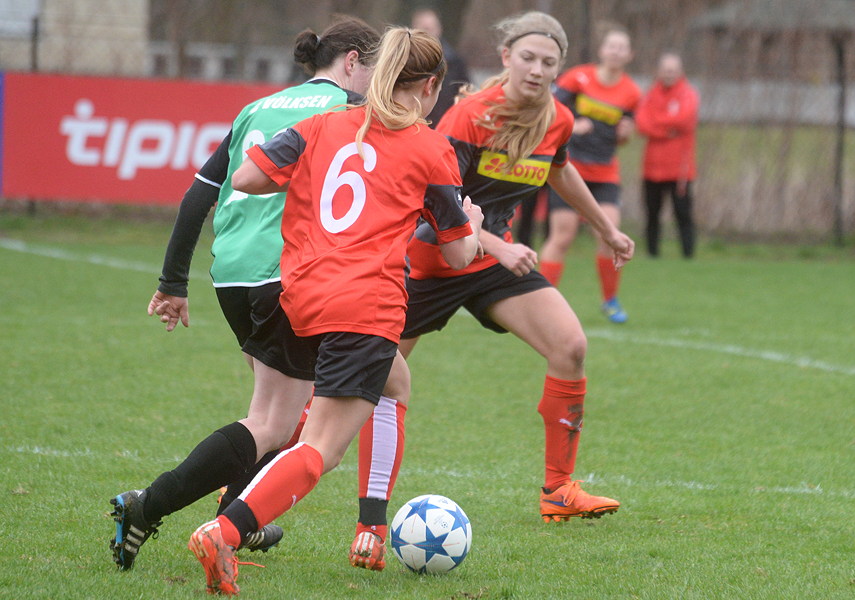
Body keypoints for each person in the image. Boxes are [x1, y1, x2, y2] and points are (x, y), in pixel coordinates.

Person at [187, 27, 483, 595]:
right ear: (429, 87)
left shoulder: (322, 125)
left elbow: (245, 177)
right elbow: (456, 253)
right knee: (320, 449)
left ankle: (369, 524)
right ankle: (225, 531)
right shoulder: (429, 148)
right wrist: (472, 223)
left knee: (393, 382)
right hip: (365, 302)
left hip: (304, 294)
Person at [350, 12, 634, 554]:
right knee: (362, 379)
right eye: (528, 57)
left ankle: (558, 490)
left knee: (571, 346)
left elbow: (559, 168)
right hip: (433, 261)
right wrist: (499, 246)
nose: (537, 69)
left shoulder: (557, 119)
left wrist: (606, 228)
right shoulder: (469, 116)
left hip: (491, 264)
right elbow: (435, 202)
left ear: (559, 68)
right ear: (506, 57)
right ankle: (270, 464)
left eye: (548, 61)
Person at [109, 17, 382, 571]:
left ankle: (237, 517)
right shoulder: (347, 113)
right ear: (353, 61)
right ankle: (150, 507)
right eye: (376, 71)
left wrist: (173, 282)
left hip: (232, 274)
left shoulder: (257, 108)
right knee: (275, 423)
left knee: (274, 414)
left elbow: (197, 196)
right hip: (288, 273)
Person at [537, 24, 641, 324]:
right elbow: (549, 110)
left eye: (622, 48)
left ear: (630, 55)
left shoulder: (632, 92)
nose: (616, 52)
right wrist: (573, 124)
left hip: (605, 173)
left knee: (610, 236)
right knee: (563, 236)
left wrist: (625, 135)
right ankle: (542, 301)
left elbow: (623, 135)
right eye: (612, 46)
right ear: (602, 50)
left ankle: (610, 301)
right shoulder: (578, 78)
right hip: (569, 171)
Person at [635, 52, 700, 258]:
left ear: (680, 71)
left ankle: (688, 256)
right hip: (652, 167)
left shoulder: (688, 94)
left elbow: (683, 120)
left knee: (682, 213)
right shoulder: (650, 94)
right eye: (665, 70)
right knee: (652, 213)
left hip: (679, 169)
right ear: (659, 71)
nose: (669, 74)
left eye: (672, 70)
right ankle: (652, 253)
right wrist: (667, 130)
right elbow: (642, 123)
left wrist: (656, 122)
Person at [410, 7, 470, 126]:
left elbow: (465, 93)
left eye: (433, 28)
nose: (429, 33)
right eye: (425, 28)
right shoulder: (404, 61)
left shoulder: (454, 62)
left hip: (443, 124)